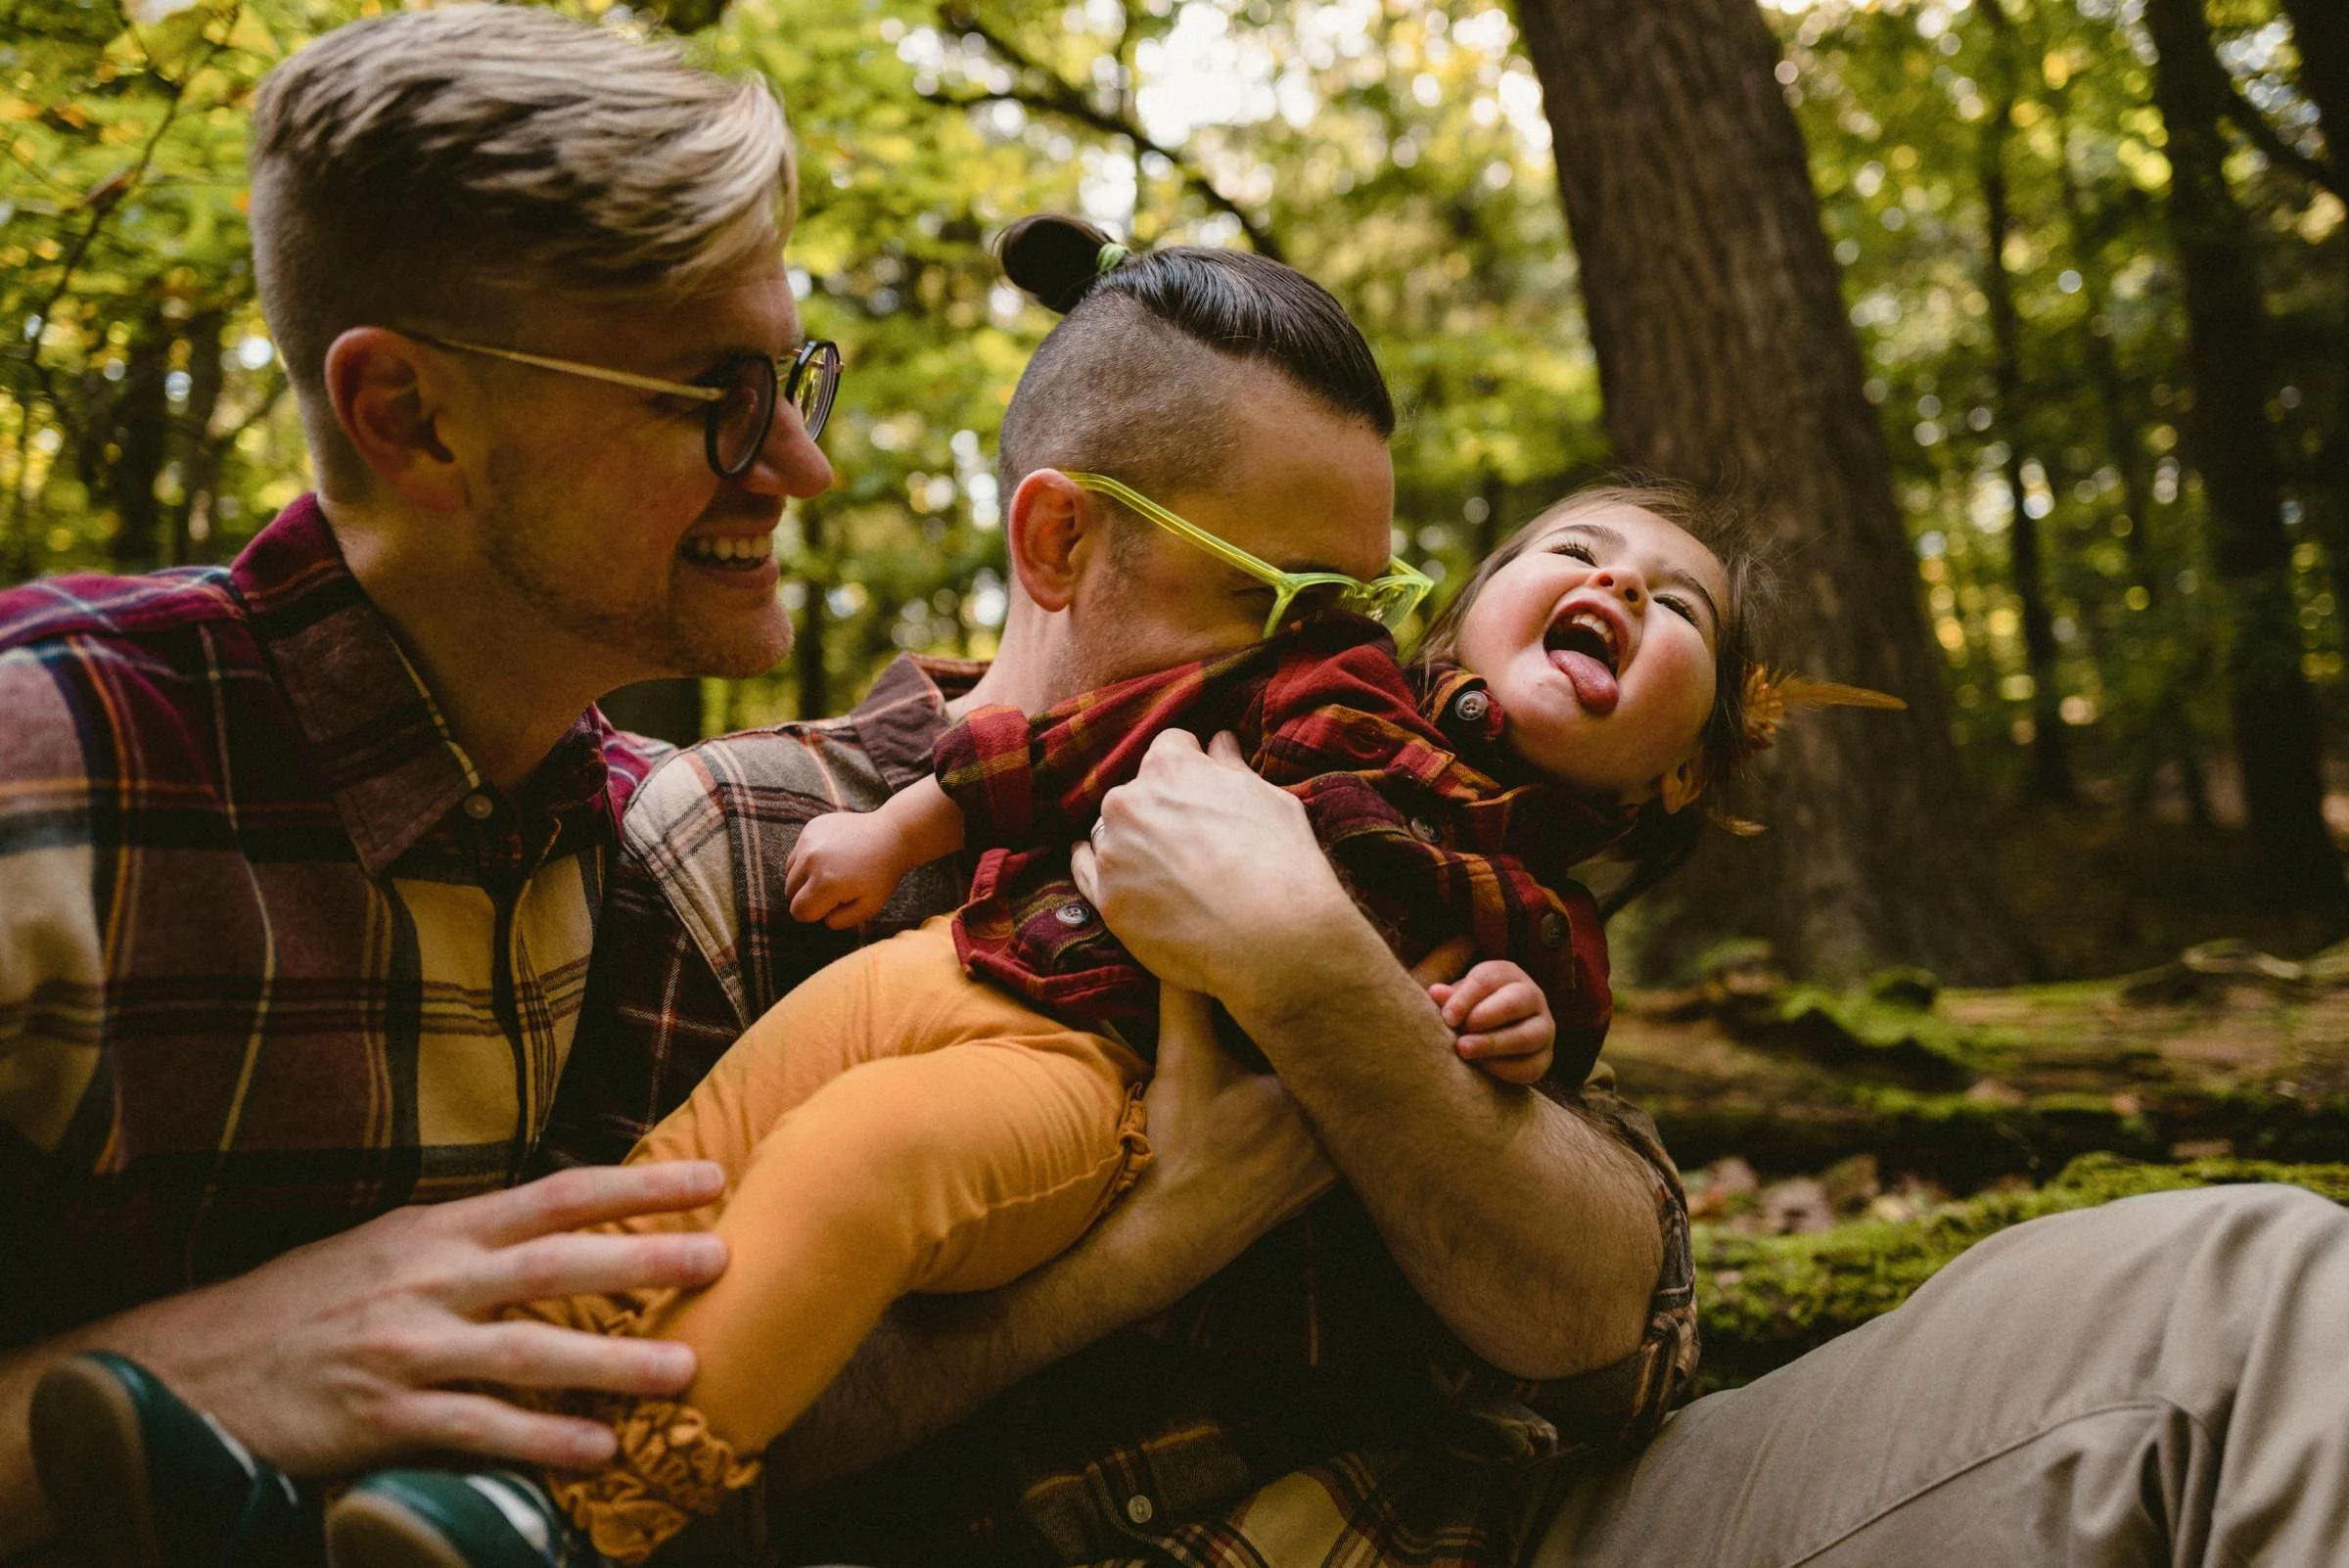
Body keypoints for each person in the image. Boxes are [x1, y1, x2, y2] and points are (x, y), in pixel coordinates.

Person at [318, 215, 1795, 1567]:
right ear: (1058, 539)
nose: (1328, 642)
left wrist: (1322, 971)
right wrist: (1151, 1243)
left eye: (1366, 597)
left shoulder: (1382, 814)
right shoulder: (744, 835)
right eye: (1280, 596)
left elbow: (1623, 1336)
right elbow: (702, 1399)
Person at [0, 8, 840, 1561]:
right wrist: (208, 1367)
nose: (798, 465)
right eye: (718, 392)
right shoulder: (42, 780)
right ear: (413, 416)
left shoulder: (649, 837)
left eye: (794, 378)